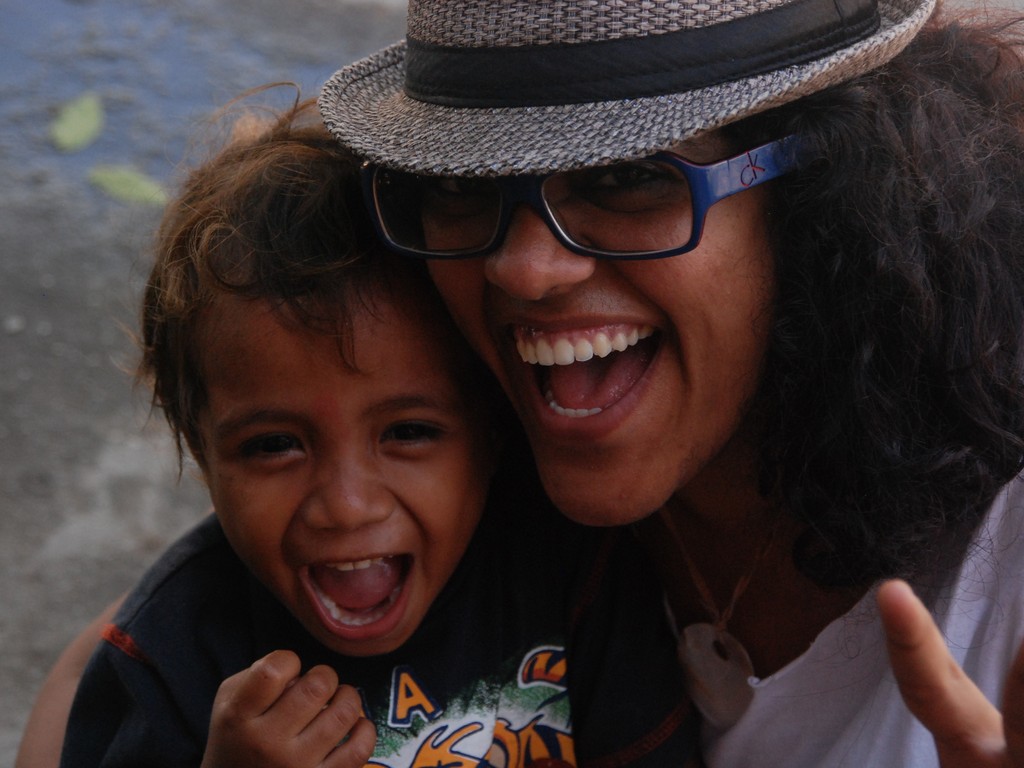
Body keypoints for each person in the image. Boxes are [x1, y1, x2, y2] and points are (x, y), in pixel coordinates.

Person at [318, 0, 1024, 765]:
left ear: (827, 191)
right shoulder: (386, 522)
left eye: (625, 177)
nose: (523, 270)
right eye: (461, 186)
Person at [51, 97, 695, 768]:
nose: (347, 506)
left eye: (408, 432)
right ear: (199, 448)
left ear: (493, 428)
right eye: (274, 445)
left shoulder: (570, 568)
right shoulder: (167, 659)